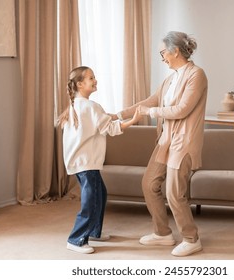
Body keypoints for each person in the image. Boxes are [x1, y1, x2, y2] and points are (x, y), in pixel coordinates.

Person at [115, 31, 208, 257]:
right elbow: (151, 101)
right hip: (165, 140)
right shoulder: (170, 78)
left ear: (175, 51)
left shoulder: (197, 75)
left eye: (162, 52)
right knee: (149, 184)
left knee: (174, 193)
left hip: (183, 142)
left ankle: (191, 238)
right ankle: (163, 233)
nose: (162, 57)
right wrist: (118, 114)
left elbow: (182, 109)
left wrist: (151, 112)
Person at [57, 66, 142, 254]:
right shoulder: (91, 107)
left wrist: (117, 116)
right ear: (80, 84)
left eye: (94, 77)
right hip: (87, 162)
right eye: (91, 78)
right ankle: (76, 239)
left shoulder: (75, 107)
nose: (95, 80)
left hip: (78, 162)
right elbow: (110, 128)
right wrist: (133, 120)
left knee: (99, 193)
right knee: (92, 200)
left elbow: (103, 121)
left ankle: (94, 231)